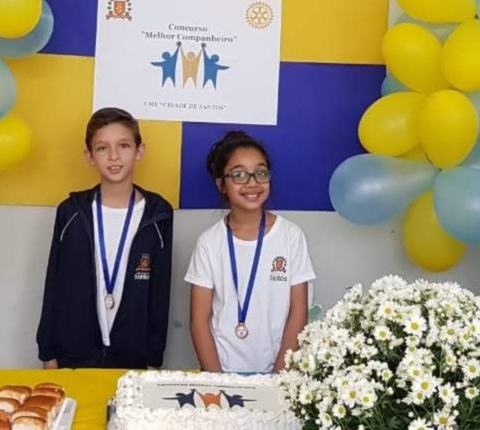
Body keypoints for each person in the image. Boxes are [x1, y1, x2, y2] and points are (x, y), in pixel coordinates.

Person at [36, 107, 173, 369]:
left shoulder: (158, 213)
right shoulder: (70, 212)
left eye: (123, 145)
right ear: (89, 156)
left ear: (139, 151)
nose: (114, 156)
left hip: (133, 356)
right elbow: (54, 282)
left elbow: (160, 291)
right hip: (74, 354)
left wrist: (154, 357)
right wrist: (47, 352)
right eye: (102, 148)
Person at [187, 131, 314, 373]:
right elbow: (198, 321)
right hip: (222, 371)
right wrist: (219, 382)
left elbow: (299, 312)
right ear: (221, 185)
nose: (252, 182)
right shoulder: (209, 243)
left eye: (261, 172)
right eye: (239, 175)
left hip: (278, 372)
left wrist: (279, 378)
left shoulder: (290, 236)